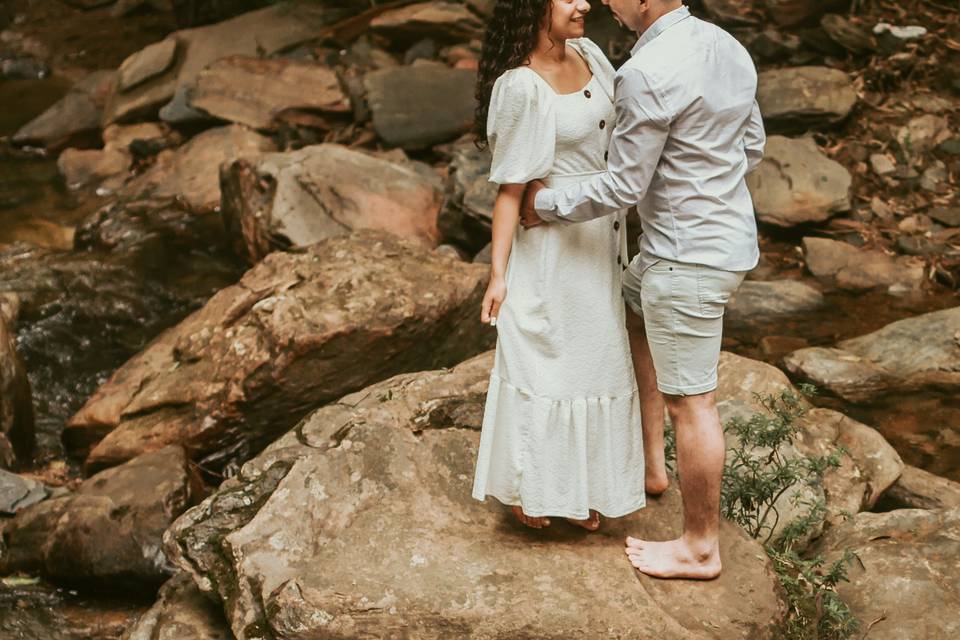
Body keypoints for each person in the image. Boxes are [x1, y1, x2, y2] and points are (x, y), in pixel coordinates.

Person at [520, 0, 766, 579]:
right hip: (703, 245)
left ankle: (700, 546)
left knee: (694, 403)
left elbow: (623, 186)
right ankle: (651, 463)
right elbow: (751, 145)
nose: (606, 0)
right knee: (631, 310)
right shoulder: (726, 45)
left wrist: (542, 204)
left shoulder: (646, 72)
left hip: (686, 260)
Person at [471, 0, 646, 532]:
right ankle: (531, 488)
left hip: (599, 233)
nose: (584, 4)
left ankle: (585, 486)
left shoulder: (591, 53)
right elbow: (510, 192)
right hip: (549, 244)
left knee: (599, 362)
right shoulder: (521, 87)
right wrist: (498, 274)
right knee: (547, 362)